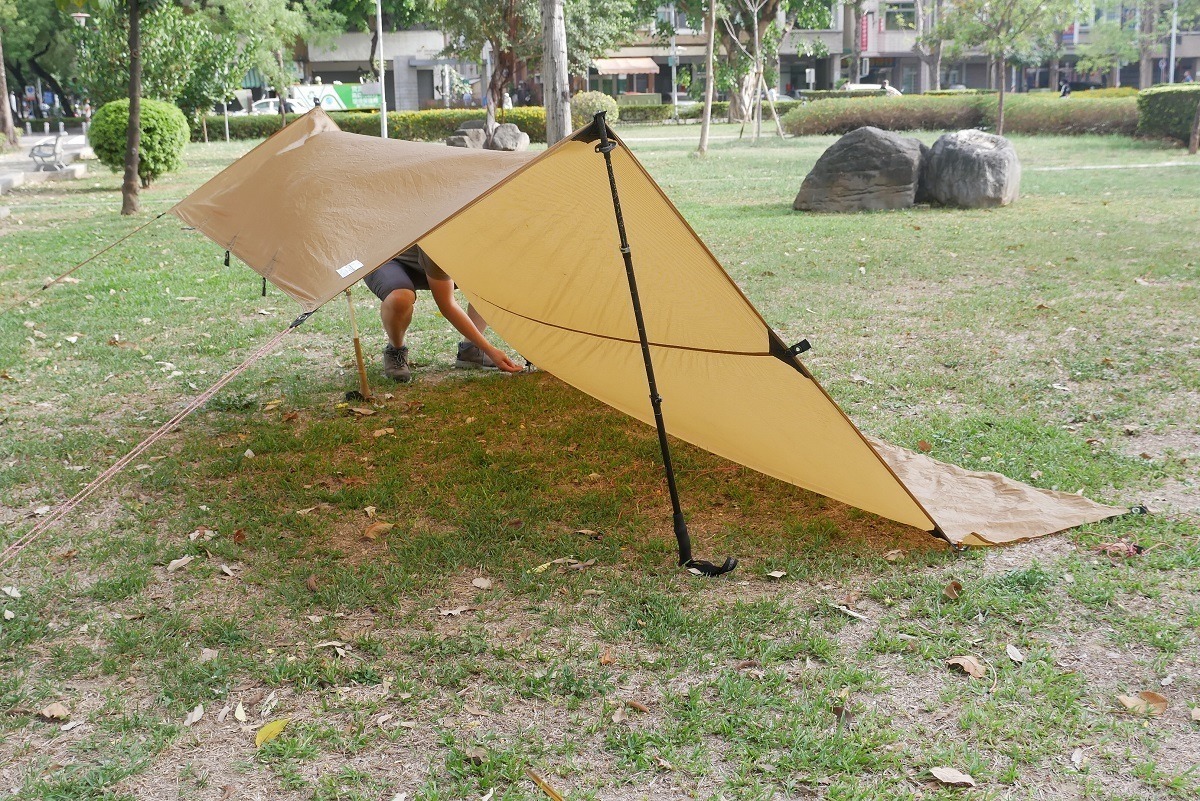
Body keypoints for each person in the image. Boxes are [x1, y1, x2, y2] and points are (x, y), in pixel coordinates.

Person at [363, 245, 522, 382]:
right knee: (400, 298)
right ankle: (395, 349)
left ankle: (471, 350)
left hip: (431, 266)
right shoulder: (438, 239)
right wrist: (490, 349)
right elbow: (447, 305)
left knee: (490, 278)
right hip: (390, 260)